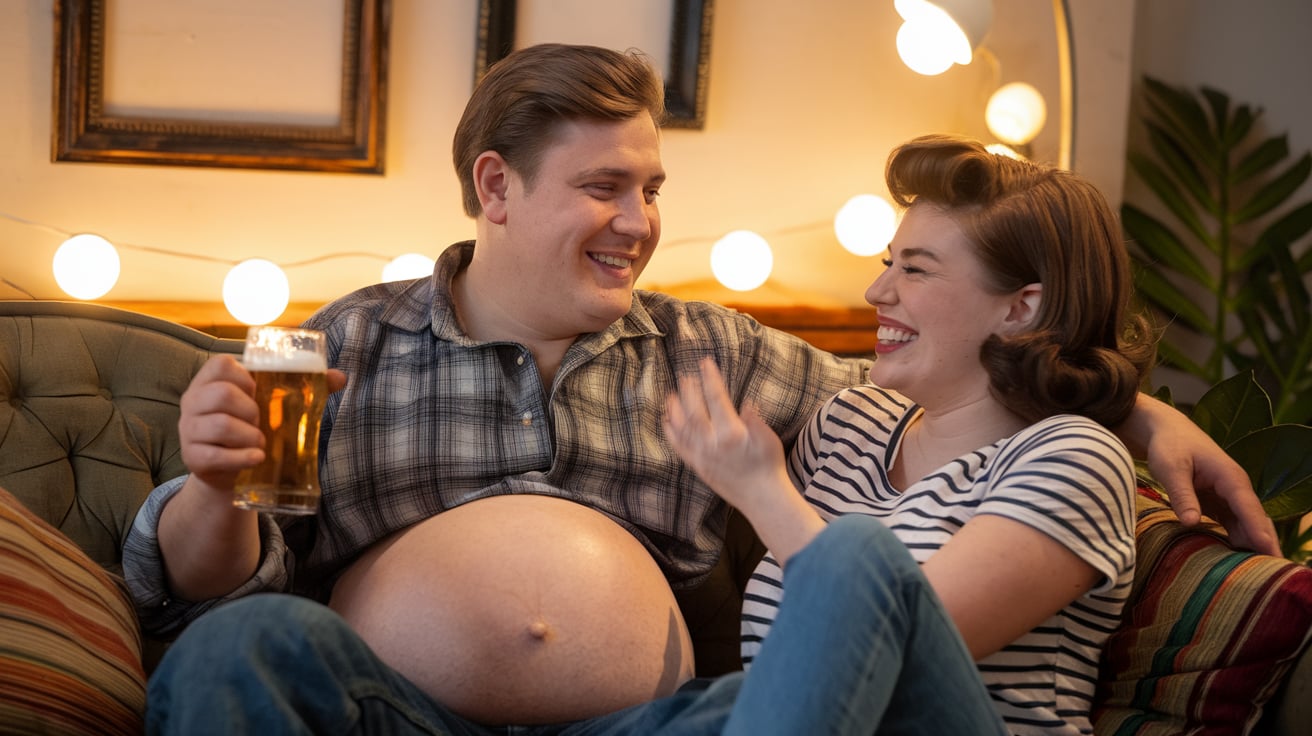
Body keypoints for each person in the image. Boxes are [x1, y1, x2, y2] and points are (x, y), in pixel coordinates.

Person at [123, 44, 1275, 734]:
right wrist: (211, 491)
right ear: (497, 187)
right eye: (604, 186)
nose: (639, 223)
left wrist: (1127, 404)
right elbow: (207, 582)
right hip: (396, 716)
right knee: (236, 647)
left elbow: (961, 385)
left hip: (654, 725)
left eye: (651, 187)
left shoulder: (716, 352)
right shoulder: (347, 344)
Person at [664, 134, 1167, 733]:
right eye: (887, 264)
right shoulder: (851, 424)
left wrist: (764, 493)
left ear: (1020, 310)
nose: (878, 293)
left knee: (858, 555)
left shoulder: (1076, 458)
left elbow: (895, 649)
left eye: (916, 270)